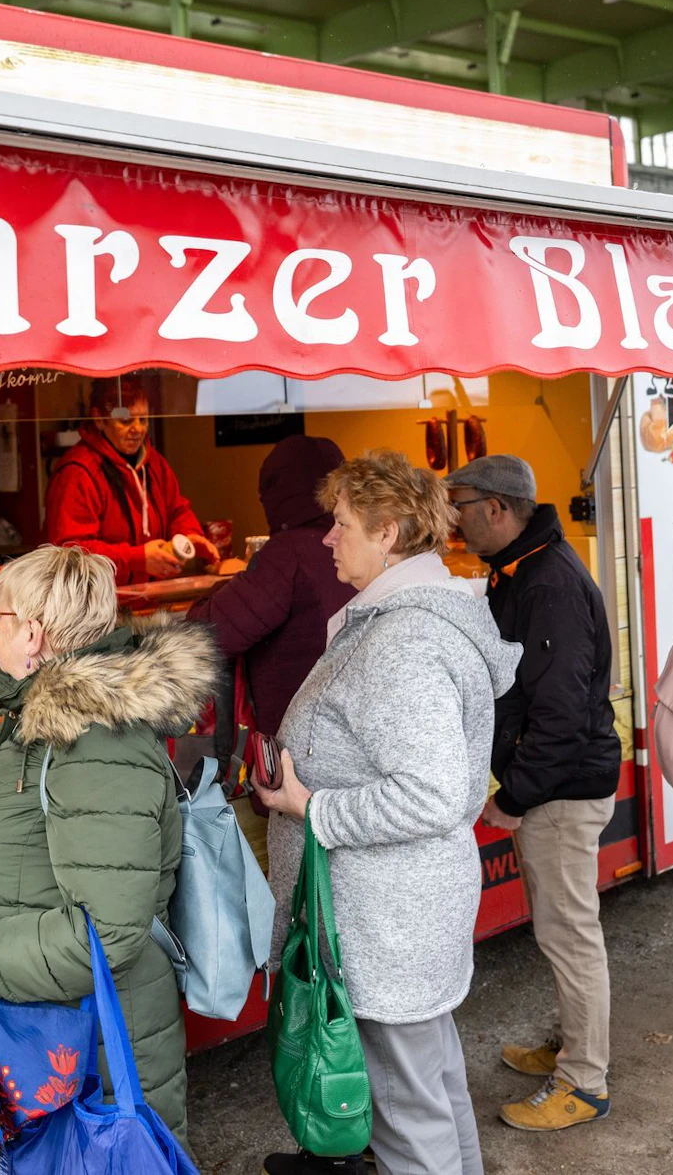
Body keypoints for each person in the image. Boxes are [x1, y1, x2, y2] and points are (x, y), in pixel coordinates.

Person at [255, 450, 520, 1175]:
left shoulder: (404, 638)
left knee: (407, 1111)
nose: (327, 538)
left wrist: (314, 806)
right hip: (401, 909)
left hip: (388, 918)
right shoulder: (405, 618)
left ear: (390, 532)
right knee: (431, 1083)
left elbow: (430, 793)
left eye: (341, 524)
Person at [0, 544, 219, 1141]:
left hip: (85, 1065)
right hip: (41, 1046)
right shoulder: (41, 722)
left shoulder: (94, 742)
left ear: (31, 634)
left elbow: (106, 932)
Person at [444, 454, 621, 1131]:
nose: (454, 523)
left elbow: (561, 715)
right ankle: (575, 1042)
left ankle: (585, 1080)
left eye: (460, 507)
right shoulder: (525, 567)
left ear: (496, 507)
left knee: (569, 933)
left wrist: (513, 794)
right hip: (557, 782)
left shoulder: (547, 581)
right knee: (562, 930)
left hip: (561, 789)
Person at [186, 435, 357, 737]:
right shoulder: (357, 540)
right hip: (345, 725)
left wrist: (211, 597)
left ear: (279, 493)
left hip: (296, 735)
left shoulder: (287, 555)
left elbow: (209, 635)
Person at [43, 377, 215, 583]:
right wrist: (137, 558)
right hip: (96, 606)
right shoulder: (78, 472)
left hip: (147, 598)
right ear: (99, 419)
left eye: (143, 420)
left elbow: (176, 510)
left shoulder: (155, 464)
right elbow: (69, 552)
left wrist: (189, 533)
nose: (138, 429)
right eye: (125, 421)